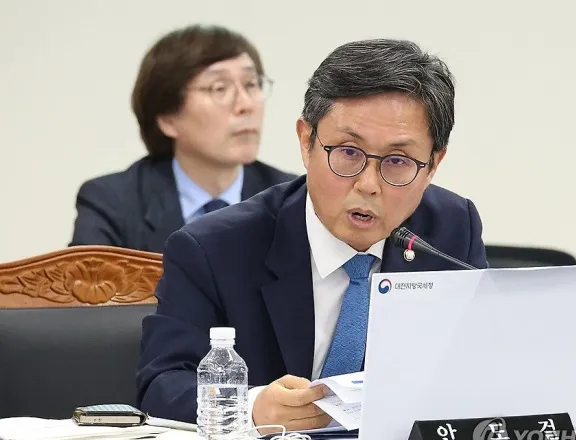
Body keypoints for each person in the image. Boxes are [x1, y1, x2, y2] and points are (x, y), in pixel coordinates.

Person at [136, 38, 488, 432]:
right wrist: (253, 409)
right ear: (307, 142)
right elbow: (162, 385)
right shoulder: (215, 248)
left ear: (433, 164)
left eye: (397, 161)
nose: (368, 184)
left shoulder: (451, 230)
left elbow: (481, 367)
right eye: (348, 153)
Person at [69, 24, 296, 253]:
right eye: (219, 88)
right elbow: (86, 277)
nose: (246, 104)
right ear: (168, 119)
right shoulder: (113, 203)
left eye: (251, 84)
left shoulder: (295, 200)